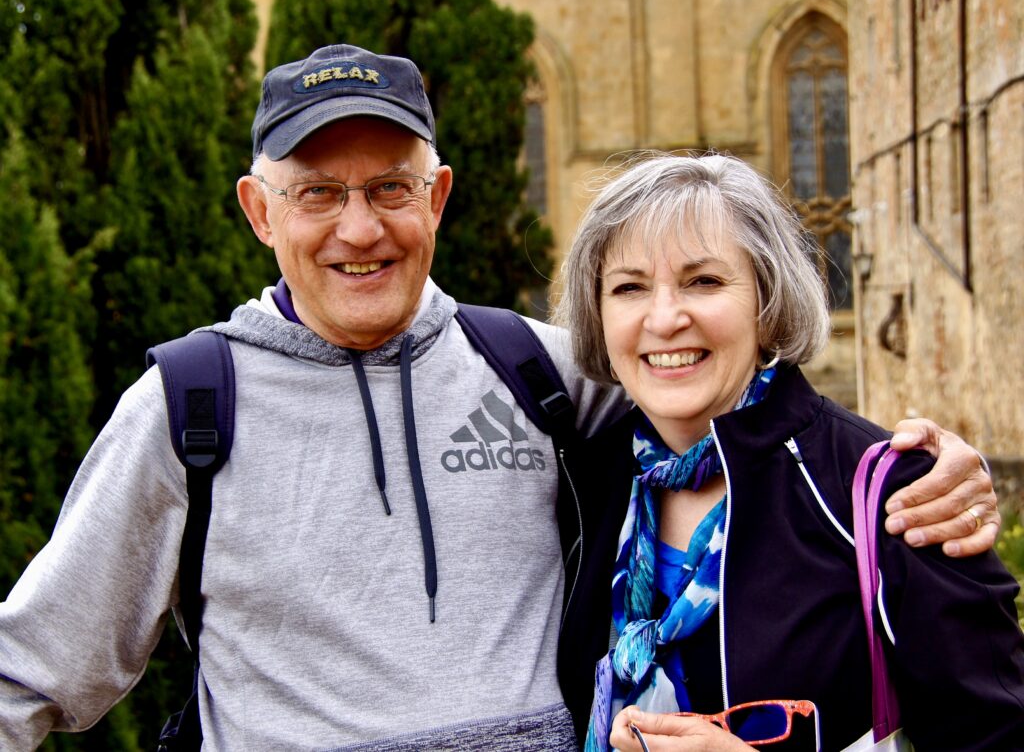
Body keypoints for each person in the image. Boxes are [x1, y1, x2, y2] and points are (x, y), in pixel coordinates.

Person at [0, 45, 1001, 750]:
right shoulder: (184, 407)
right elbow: (31, 670)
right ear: (259, 211)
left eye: (390, 187)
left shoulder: (542, 372)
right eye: (317, 192)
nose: (358, 229)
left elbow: (739, 421)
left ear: (436, 197)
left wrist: (923, 475)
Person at [553, 152, 1024, 751]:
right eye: (629, 287)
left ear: (767, 304)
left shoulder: (895, 496)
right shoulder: (580, 484)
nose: (665, 317)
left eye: (705, 281)